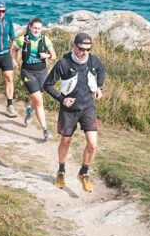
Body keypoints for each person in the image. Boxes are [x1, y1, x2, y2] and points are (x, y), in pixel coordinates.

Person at [43, 33, 106, 193]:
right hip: (69, 110)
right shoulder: (63, 63)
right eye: (81, 49)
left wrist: (99, 87)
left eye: (88, 49)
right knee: (66, 141)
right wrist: (61, 99)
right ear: (74, 46)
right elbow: (48, 85)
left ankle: (83, 174)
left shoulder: (93, 60)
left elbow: (101, 70)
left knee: (93, 145)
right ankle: (61, 171)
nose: (84, 52)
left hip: (88, 108)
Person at [11, 18, 56, 141]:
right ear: (30, 27)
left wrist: (47, 55)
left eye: (39, 28)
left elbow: (54, 56)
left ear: (42, 29)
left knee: (38, 98)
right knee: (39, 101)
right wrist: (14, 60)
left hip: (42, 72)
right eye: (34, 28)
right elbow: (14, 50)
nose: (36, 30)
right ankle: (45, 130)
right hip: (27, 72)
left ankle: (30, 109)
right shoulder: (22, 39)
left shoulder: (45, 40)